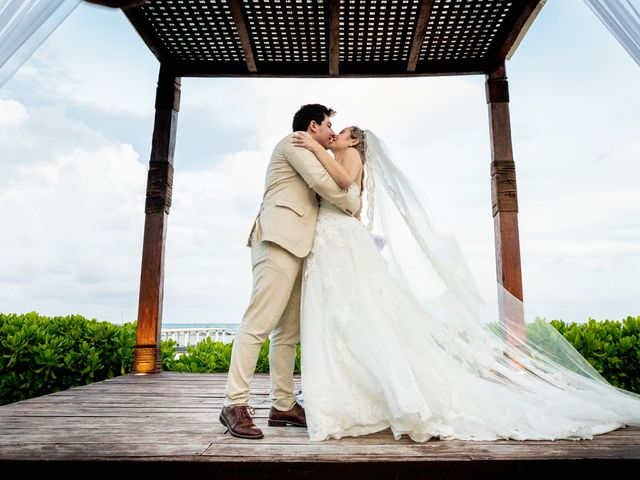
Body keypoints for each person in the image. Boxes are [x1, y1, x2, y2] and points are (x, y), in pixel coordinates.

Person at [291, 127, 640, 442]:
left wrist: (318, 150)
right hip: (332, 245)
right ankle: (345, 392)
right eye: (331, 131)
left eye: (343, 131)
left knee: (355, 314)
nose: (335, 134)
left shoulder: (349, 155)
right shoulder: (334, 158)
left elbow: (347, 184)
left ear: (354, 141)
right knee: (346, 317)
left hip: (340, 243)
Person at [219, 105, 361, 439]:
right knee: (257, 324)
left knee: (287, 333)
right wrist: (352, 198)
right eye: (329, 125)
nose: (331, 132)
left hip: (299, 247)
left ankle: (282, 405)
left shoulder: (310, 149)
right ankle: (233, 404)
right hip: (278, 240)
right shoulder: (295, 143)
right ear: (313, 126)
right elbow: (327, 185)